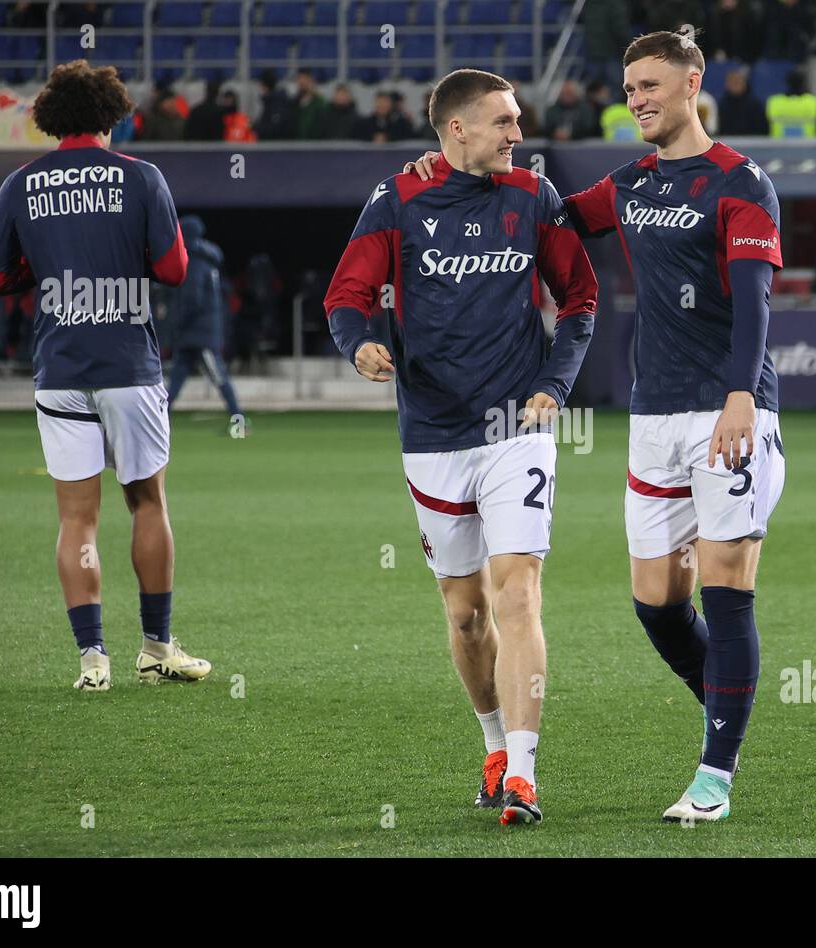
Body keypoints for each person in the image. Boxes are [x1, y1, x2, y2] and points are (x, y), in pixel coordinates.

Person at [411, 29, 785, 824]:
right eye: (629, 90)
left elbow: (753, 300)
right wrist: (443, 171)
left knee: (725, 586)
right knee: (655, 603)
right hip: (654, 416)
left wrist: (742, 395)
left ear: (692, 84)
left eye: (651, 85)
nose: (638, 100)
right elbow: (541, 211)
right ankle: (727, 704)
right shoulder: (631, 184)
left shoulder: (741, 185)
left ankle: (715, 774)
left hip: (729, 411)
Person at [326, 69, 598, 827]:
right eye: (504, 122)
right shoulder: (398, 200)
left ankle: (523, 772)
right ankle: (491, 746)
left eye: (519, 120)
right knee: (466, 612)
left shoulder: (534, 197)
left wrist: (556, 381)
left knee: (517, 592)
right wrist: (360, 347)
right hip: (434, 434)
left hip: (519, 427)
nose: (519, 134)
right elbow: (345, 297)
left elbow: (579, 298)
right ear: (456, 131)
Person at [0, 60, 210, 692]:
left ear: (51, 120)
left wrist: (49, 274)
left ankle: (92, 660)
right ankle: (158, 648)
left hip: (59, 365)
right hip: (127, 366)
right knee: (147, 500)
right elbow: (172, 269)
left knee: (77, 517)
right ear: (113, 114)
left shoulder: (20, 184)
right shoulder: (141, 178)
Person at [166, 215, 244, 427]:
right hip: (199, 332)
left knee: (218, 376)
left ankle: (239, 421)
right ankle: (160, 420)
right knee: (176, 381)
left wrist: (178, 323)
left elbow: (193, 299)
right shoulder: (209, 260)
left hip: (198, 333)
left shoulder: (194, 262)